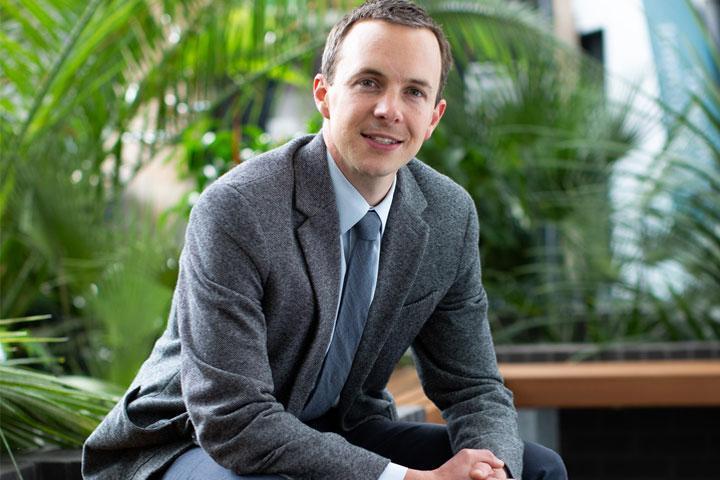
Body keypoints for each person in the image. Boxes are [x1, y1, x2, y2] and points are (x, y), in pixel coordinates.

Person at [82, 1, 567, 479]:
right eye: (368, 82)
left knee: (538, 469)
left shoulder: (447, 215)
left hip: (343, 426)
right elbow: (233, 418)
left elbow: (474, 387)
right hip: (190, 440)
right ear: (324, 93)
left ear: (434, 116)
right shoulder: (238, 209)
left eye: (414, 92)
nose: (389, 110)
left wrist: (492, 470)